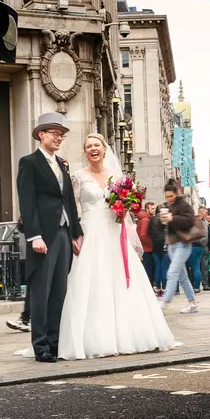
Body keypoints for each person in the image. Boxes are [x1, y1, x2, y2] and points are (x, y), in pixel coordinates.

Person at [57, 134, 178, 360]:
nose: (93, 149)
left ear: (104, 149)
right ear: (85, 152)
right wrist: (75, 234)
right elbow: (72, 207)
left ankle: (130, 334)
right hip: (91, 232)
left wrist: (124, 209)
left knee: (120, 280)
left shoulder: (116, 176)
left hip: (114, 232)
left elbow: (127, 206)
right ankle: (94, 338)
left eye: (97, 145)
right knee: (92, 282)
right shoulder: (78, 176)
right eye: (88, 146)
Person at [16, 112, 84, 363]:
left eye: (61, 134)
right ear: (40, 134)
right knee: (41, 293)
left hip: (64, 233)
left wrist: (76, 233)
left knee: (59, 291)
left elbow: (68, 201)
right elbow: (27, 202)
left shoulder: (62, 165)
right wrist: (34, 236)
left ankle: (55, 343)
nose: (59, 137)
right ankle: (40, 345)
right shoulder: (29, 163)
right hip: (43, 235)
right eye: (54, 133)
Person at [159, 182, 200, 313]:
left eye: (171, 196)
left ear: (176, 193)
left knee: (172, 273)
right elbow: (164, 226)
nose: (169, 199)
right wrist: (162, 221)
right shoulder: (168, 206)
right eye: (166, 197)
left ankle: (165, 302)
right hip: (172, 244)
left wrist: (173, 218)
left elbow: (189, 220)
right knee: (182, 277)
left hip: (183, 243)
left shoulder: (184, 205)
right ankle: (193, 303)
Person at [150, 203, 170, 296]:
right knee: (164, 268)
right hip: (165, 246)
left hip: (155, 246)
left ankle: (158, 288)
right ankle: (165, 288)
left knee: (157, 267)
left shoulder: (152, 219)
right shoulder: (165, 220)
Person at [136, 202, 155, 289]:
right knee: (148, 271)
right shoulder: (145, 220)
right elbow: (143, 235)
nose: (154, 210)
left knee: (147, 270)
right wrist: (152, 244)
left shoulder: (145, 219)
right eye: (152, 209)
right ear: (147, 209)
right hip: (147, 249)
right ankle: (148, 289)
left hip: (145, 248)